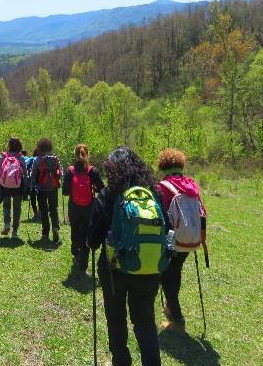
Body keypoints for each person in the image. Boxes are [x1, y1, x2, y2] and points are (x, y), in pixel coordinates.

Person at [87, 146, 172, 366]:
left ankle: (121, 361)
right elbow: (168, 230)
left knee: (116, 319)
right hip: (149, 267)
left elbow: (92, 241)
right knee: (145, 322)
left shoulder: (108, 195)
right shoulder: (154, 193)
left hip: (114, 270)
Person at [155, 148, 207, 332]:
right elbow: (202, 213)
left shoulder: (162, 187)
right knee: (175, 272)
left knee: (167, 277)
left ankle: (177, 320)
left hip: (172, 241)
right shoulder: (191, 185)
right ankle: (170, 306)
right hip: (190, 240)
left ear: (162, 166)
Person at [62, 144, 104, 271]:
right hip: (89, 207)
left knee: (75, 229)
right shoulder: (93, 171)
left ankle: (75, 250)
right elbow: (102, 189)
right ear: (87, 154)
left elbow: (65, 192)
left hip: (74, 207)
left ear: (75, 155)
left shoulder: (70, 171)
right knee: (86, 233)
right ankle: (84, 262)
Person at [0, 137, 28, 239]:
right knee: (17, 208)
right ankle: (15, 232)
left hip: (5, 185)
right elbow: (25, 173)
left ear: (9, 145)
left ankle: (7, 224)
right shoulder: (21, 157)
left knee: (6, 205)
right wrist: (25, 185)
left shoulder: (3, 156)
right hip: (18, 186)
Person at [31, 138, 62, 242]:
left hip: (41, 188)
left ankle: (45, 233)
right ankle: (55, 227)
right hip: (53, 188)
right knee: (54, 208)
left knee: (43, 211)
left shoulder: (38, 159)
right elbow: (60, 174)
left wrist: (32, 185)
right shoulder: (56, 158)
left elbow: (33, 174)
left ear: (39, 147)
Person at [26, 148, 40, 221]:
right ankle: (41, 213)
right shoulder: (43, 159)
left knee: (33, 198)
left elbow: (26, 167)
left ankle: (36, 213)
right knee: (41, 198)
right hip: (42, 182)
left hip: (32, 182)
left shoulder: (32, 159)